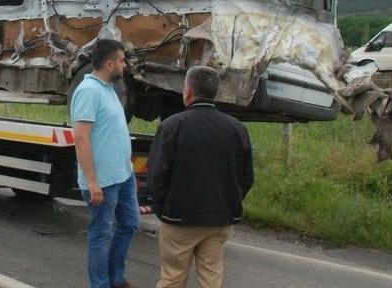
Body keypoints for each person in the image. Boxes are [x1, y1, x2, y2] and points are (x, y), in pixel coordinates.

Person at [147, 66, 254, 288]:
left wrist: (162, 209)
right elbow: (246, 177)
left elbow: (157, 175)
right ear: (215, 93)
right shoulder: (237, 129)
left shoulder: (171, 126)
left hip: (179, 218)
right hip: (220, 219)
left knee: (173, 278)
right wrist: (229, 201)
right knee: (211, 277)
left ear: (187, 92)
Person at [70, 39, 139, 288]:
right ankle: (101, 284)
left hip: (123, 176)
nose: (125, 65)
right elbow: (80, 137)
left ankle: (115, 278)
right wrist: (91, 181)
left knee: (130, 224)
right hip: (102, 180)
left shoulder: (108, 89)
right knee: (101, 233)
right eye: (122, 60)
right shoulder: (89, 91)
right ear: (109, 64)